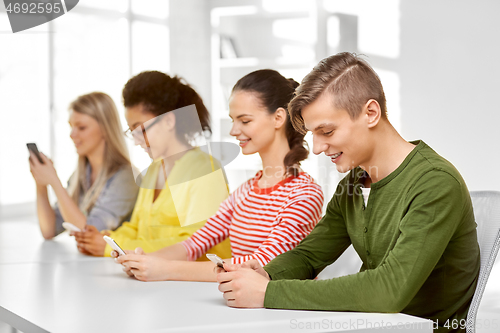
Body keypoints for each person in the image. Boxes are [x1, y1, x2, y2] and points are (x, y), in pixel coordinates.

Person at [216, 53, 480, 333]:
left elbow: (388, 290)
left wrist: (268, 293)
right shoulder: (354, 183)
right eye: (312, 134)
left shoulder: (435, 183)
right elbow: (309, 255)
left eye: (326, 131)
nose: (316, 147)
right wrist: (266, 274)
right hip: (370, 326)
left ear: (370, 113)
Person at [114, 69, 324, 282]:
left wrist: (164, 269)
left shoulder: (304, 194)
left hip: (284, 312)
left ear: (278, 118)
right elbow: (194, 244)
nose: (233, 130)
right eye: (233, 120)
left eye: (244, 120)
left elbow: (259, 266)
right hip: (244, 306)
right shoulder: (245, 192)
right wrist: (143, 260)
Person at [73, 71, 231, 258]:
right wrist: (107, 239)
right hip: (156, 279)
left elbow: (195, 243)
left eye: (140, 129)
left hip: (195, 283)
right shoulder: (154, 169)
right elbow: (137, 227)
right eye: (132, 131)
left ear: (168, 121)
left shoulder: (205, 170)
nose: (137, 140)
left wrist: (113, 247)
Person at [29, 92, 138, 240]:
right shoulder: (81, 175)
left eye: (81, 127)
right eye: (71, 127)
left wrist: (54, 182)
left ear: (105, 129)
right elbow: (49, 229)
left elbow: (88, 232)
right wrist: (41, 184)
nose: (72, 134)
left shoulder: (126, 178)